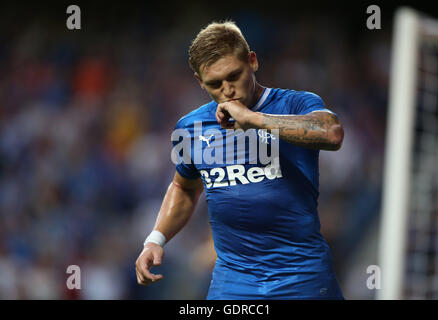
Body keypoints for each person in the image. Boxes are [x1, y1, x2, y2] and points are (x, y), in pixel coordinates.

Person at [135, 20, 345, 299]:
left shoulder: (295, 104)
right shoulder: (190, 127)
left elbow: (331, 133)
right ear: (200, 82)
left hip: (302, 278)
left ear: (252, 61)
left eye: (234, 75)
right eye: (214, 84)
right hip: (233, 282)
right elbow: (184, 187)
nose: (227, 89)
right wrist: (155, 240)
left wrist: (254, 119)